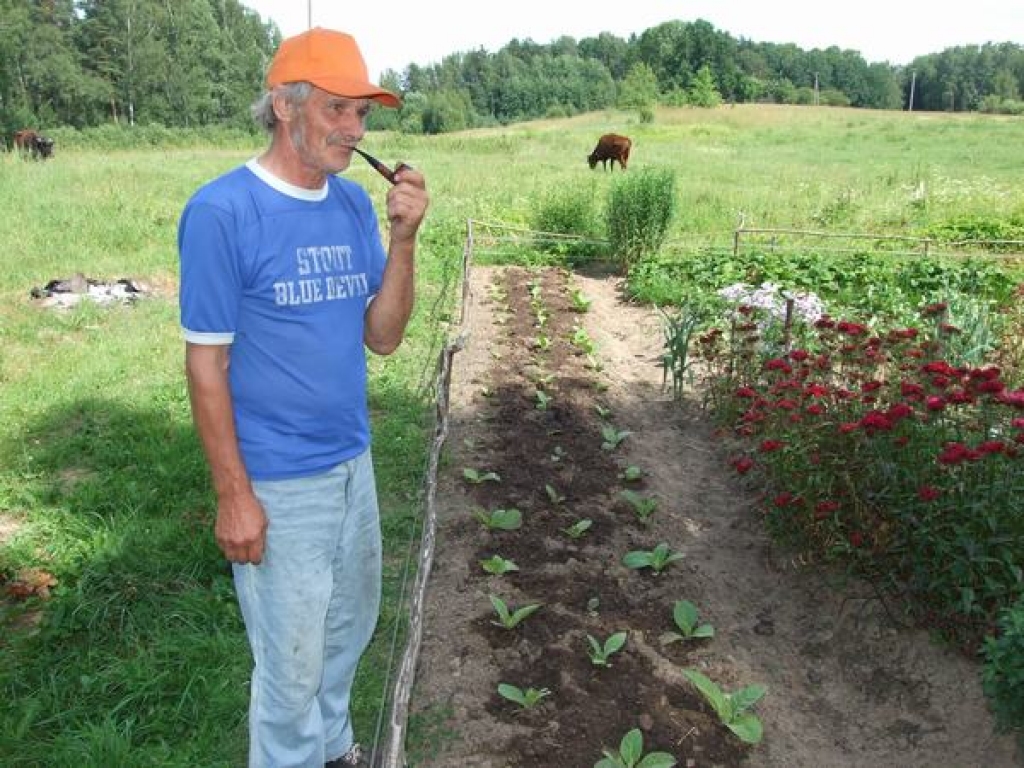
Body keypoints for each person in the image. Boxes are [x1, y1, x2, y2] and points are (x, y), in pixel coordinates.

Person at [177, 27, 428, 768]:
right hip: (278, 480)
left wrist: (405, 241)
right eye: (340, 110)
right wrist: (234, 495)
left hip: (353, 462)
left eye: (364, 117)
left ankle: (336, 747)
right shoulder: (224, 212)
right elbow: (205, 366)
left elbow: (381, 338)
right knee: (288, 667)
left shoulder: (353, 209)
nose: (356, 131)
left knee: (347, 629)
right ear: (286, 108)